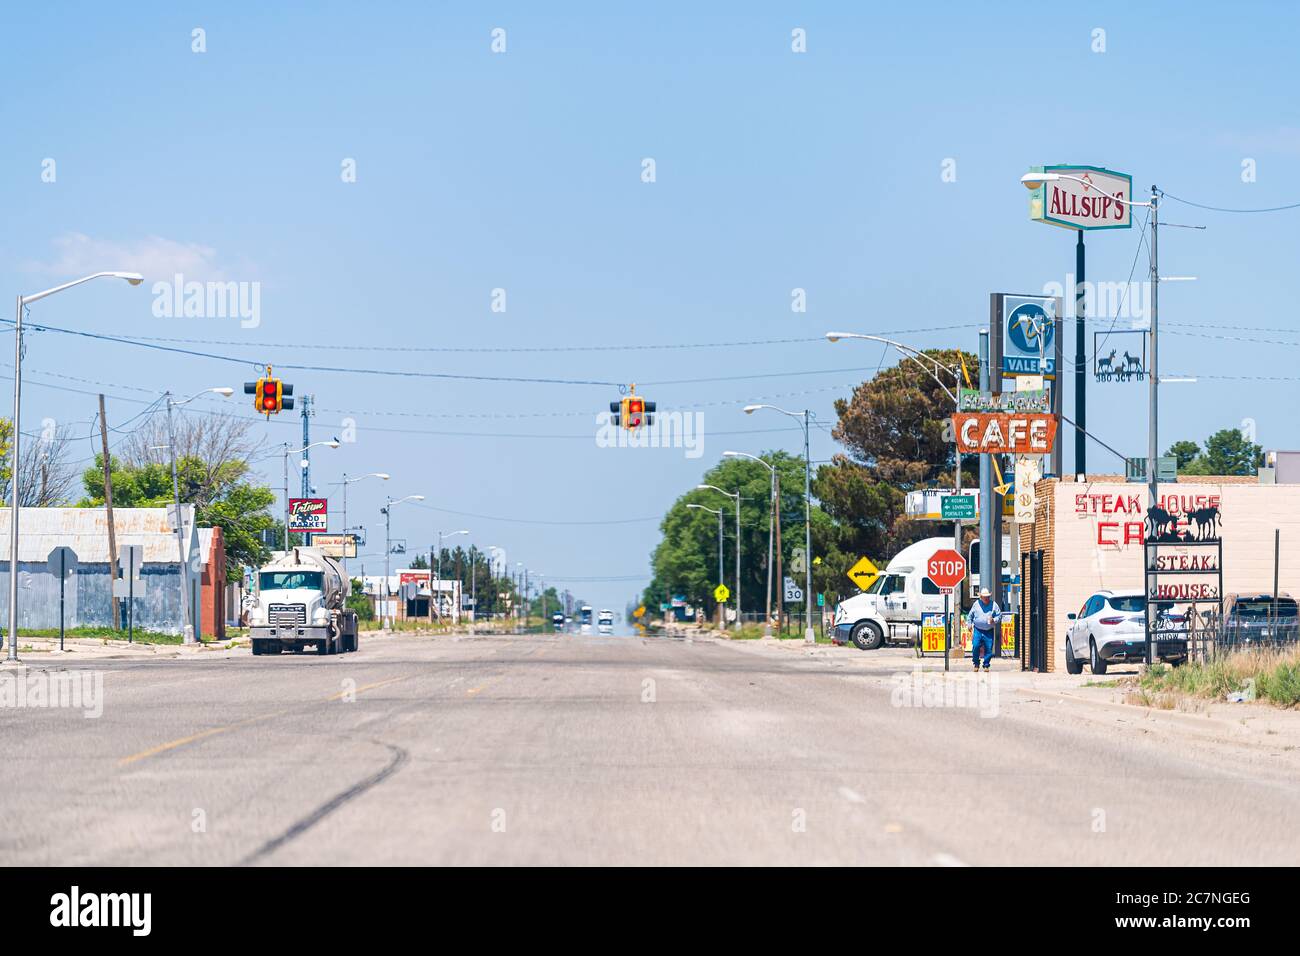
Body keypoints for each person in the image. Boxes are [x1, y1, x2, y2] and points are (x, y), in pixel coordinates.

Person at [967, 587, 1001, 672]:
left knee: (988, 648)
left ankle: (986, 665)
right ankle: (976, 663)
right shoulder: (976, 604)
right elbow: (970, 615)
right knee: (975, 646)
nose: (986, 598)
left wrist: (994, 620)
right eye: (984, 597)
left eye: (988, 597)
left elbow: (999, 616)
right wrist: (969, 624)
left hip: (988, 630)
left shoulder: (994, 605)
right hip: (978, 629)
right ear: (981, 597)